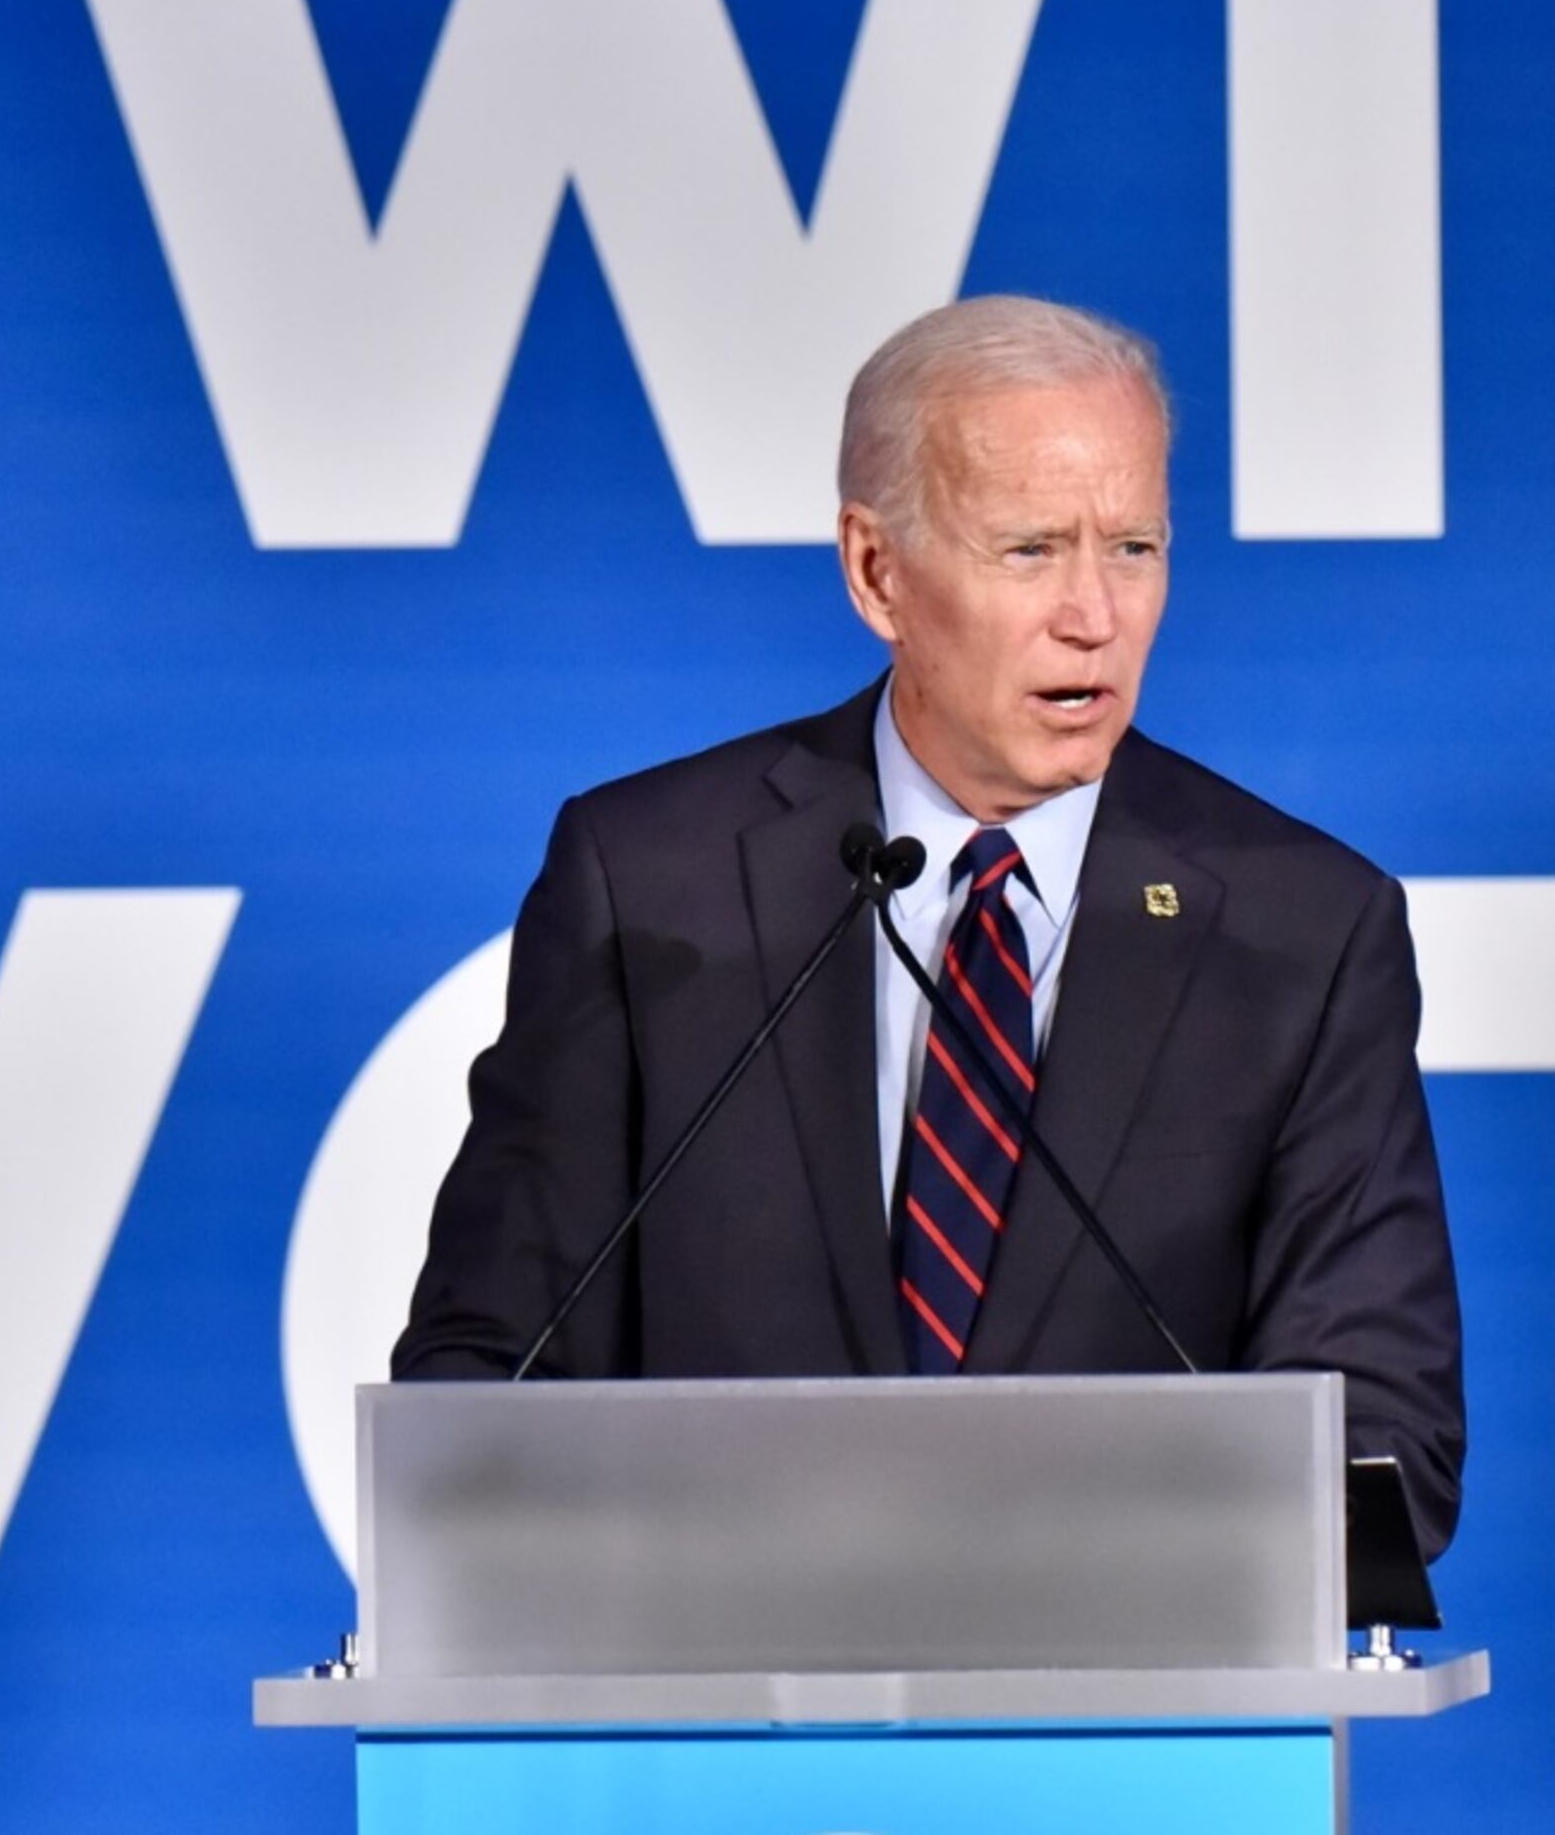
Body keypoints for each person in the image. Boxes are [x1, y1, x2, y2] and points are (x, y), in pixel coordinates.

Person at [392, 295, 1464, 1553]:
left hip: (1132, 1735)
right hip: (721, 1723)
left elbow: (1379, 1438)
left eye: (1134, 548)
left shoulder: (1303, 934)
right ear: (876, 572)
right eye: (1030, 551)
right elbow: (486, 1380)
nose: (1095, 616)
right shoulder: (651, 891)